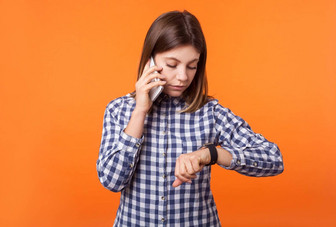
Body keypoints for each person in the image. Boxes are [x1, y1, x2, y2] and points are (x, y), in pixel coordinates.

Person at [96, 10, 284, 226]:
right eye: (172, 65)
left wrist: (211, 154)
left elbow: (274, 159)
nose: (183, 76)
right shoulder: (118, 110)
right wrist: (140, 111)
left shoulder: (211, 113)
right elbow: (111, 181)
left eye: (192, 66)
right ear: (150, 60)